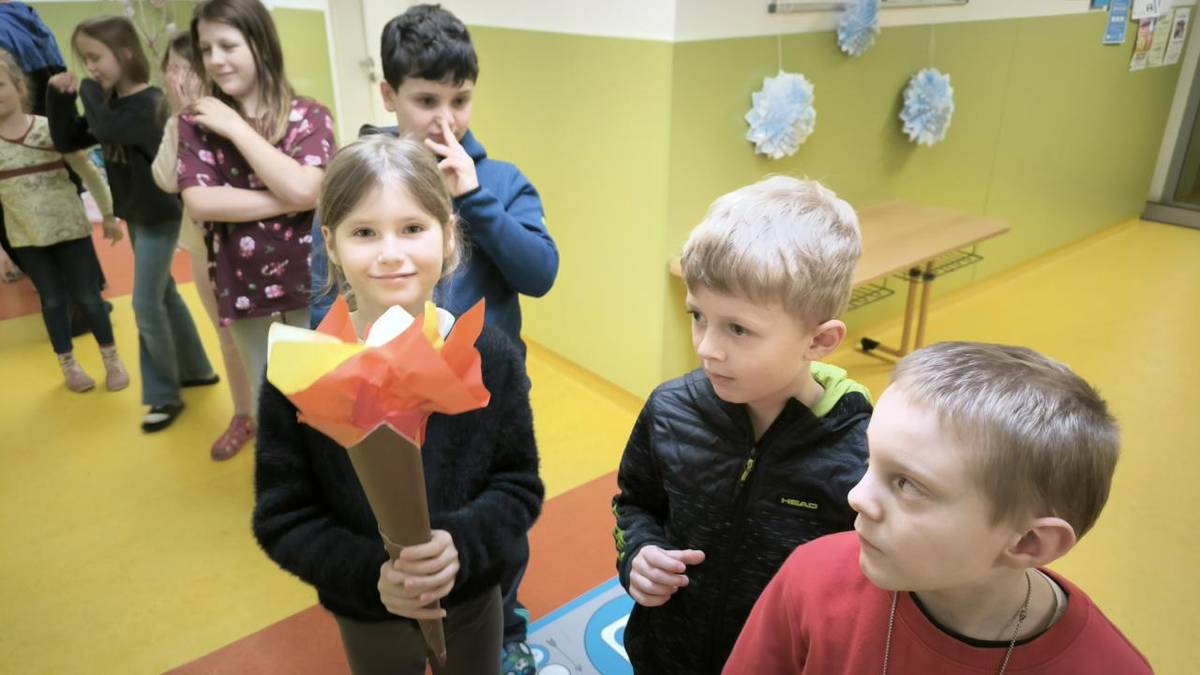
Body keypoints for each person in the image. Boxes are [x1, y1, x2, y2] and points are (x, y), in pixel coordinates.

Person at [252, 135, 543, 675]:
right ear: (332, 245)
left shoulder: (491, 357)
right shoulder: (299, 372)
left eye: (412, 228)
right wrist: (371, 576)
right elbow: (281, 517)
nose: (390, 252)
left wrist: (461, 545)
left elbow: (519, 486)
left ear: (448, 237)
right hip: (370, 613)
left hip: (473, 598)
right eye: (364, 232)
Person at [723, 342, 1152, 674]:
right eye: (870, 462)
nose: (856, 496)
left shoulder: (1107, 666)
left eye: (907, 483)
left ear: (1028, 541)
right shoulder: (811, 576)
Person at [612, 176, 872, 673]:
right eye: (697, 316)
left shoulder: (860, 453)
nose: (707, 347)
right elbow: (635, 503)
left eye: (738, 328)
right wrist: (640, 553)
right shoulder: (670, 410)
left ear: (819, 341)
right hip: (665, 655)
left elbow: (865, 582)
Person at [47, 15, 216, 431]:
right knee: (167, 296)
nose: (91, 68)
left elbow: (104, 127)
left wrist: (86, 89)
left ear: (125, 53)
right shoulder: (113, 105)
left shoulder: (149, 105)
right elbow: (68, 140)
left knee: (144, 304)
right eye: (85, 61)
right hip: (136, 215)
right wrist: (58, 97)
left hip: (161, 216)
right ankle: (196, 369)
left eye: (96, 58)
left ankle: (164, 395)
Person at [175, 0, 334, 413]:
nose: (215, 60)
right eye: (206, 49)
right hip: (242, 288)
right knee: (271, 407)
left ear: (261, 45)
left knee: (322, 397)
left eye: (227, 45)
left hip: (310, 282)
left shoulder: (309, 115)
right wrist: (290, 197)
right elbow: (201, 201)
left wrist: (235, 128)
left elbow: (308, 189)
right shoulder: (196, 123)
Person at [151, 31, 255, 459]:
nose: (182, 77)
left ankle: (290, 421)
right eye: (173, 68)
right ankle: (244, 414)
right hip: (203, 250)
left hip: (256, 249)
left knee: (277, 337)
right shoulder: (179, 124)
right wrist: (179, 119)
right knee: (228, 337)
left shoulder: (244, 115)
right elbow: (163, 177)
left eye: (189, 67)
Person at [0, 47, 127, 392]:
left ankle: (112, 359)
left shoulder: (49, 129)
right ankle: (69, 366)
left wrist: (110, 215)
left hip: (71, 230)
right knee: (53, 301)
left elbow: (89, 172)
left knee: (88, 298)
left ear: (18, 86)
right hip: (27, 239)